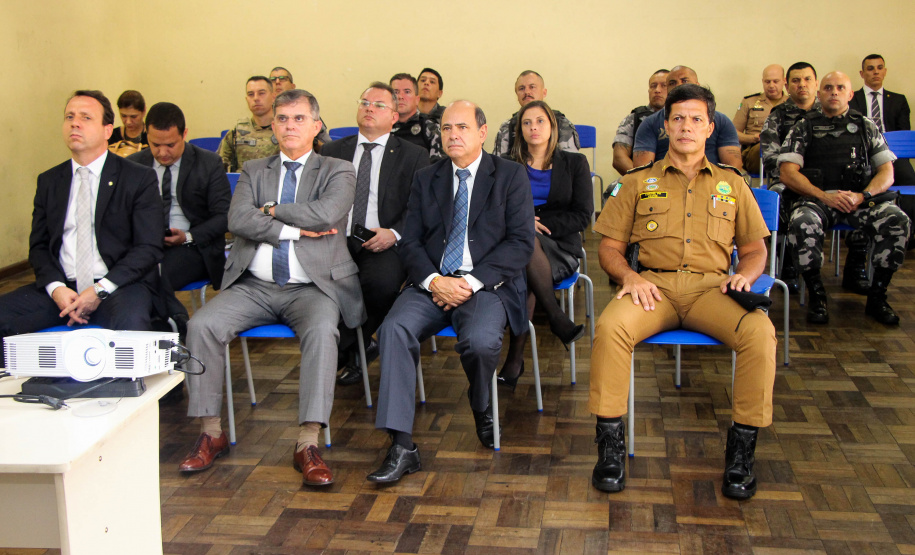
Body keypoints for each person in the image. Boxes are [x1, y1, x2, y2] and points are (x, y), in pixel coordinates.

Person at [590, 84, 775, 500]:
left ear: (710, 128)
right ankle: (610, 449)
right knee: (610, 328)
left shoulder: (733, 183)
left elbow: (754, 249)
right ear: (665, 128)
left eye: (695, 119)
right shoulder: (637, 182)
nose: (686, 126)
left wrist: (745, 275)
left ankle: (742, 452)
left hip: (714, 288)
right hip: (652, 288)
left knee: (759, 333)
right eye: (677, 119)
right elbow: (608, 249)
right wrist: (629, 277)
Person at [177, 89, 364, 487]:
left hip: (313, 287)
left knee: (321, 332)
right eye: (282, 119)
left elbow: (327, 213)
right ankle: (211, 432)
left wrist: (271, 210)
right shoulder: (253, 170)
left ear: (316, 125)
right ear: (273, 126)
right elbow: (237, 219)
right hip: (254, 285)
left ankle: (307, 443)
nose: (289, 125)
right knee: (201, 326)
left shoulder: (339, 169)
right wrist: (297, 228)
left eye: (299, 119)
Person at [367, 101, 535, 483]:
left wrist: (470, 283)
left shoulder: (510, 176)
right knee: (393, 329)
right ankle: (402, 444)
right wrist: (432, 280)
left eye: (461, 127)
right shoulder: (428, 177)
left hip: (486, 286)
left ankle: (481, 405)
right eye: (446, 128)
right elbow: (410, 241)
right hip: (431, 283)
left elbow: (521, 243)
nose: (453, 135)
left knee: (478, 343)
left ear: (482, 132)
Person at [0, 90, 163, 367]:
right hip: (64, 290)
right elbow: (39, 247)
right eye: (69, 117)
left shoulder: (137, 178)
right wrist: (56, 289)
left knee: (132, 328)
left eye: (86, 117)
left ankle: (124, 402)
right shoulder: (50, 181)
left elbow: (148, 248)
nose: (75, 123)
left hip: (118, 286)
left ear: (107, 130)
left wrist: (99, 290)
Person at [779, 71, 910, 325]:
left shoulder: (865, 126)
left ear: (851, 94)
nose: (834, 92)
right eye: (828, 88)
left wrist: (863, 195)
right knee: (801, 222)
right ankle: (818, 297)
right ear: (819, 94)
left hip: (859, 201)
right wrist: (824, 197)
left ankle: (878, 297)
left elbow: (887, 172)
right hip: (818, 201)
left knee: (897, 219)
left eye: (840, 88)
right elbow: (787, 172)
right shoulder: (804, 127)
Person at [322, 82, 430, 386]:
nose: (369, 108)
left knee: (381, 285)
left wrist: (394, 233)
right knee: (325, 286)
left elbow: (419, 207)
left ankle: (342, 351)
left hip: (384, 240)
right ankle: (360, 347)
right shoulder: (333, 151)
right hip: (336, 239)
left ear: (394, 116)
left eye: (379, 105)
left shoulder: (413, 155)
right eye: (365, 102)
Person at [496, 100, 592, 389]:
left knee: (522, 257)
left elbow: (583, 215)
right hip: (518, 247)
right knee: (522, 254)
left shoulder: (575, 163)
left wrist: (537, 226)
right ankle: (555, 316)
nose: (533, 128)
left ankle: (515, 357)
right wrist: (525, 223)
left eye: (540, 121)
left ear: (552, 127)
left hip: (559, 247)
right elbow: (494, 210)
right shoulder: (507, 166)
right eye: (526, 123)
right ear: (519, 130)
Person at [127, 102, 231, 322]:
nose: (162, 153)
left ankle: (170, 324)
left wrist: (187, 236)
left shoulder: (208, 163)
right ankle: (171, 323)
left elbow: (225, 217)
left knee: (152, 273)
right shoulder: (133, 165)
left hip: (193, 247)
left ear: (184, 134)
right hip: (144, 245)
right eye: (155, 144)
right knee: (131, 269)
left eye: (171, 145)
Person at [758, 62, 821, 294]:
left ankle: (856, 268)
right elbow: (771, 158)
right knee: (776, 196)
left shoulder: (829, 114)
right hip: (788, 181)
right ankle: (787, 264)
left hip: (827, 183)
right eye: (795, 80)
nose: (801, 85)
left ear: (816, 83)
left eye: (807, 79)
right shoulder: (778, 116)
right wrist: (795, 176)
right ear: (788, 84)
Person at [633, 66, 743, 169]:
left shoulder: (722, 121)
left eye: (685, 81)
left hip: (713, 184)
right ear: (666, 126)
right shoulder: (650, 123)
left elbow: (733, 168)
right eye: (672, 83)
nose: (679, 85)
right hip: (662, 184)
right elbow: (642, 171)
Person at [849, 54, 915, 186]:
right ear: (862, 73)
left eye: (880, 68)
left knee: (909, 178)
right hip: (862, 156)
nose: (876, 72)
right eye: (870, 68)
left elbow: (903, 133)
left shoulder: (898, 100)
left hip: (893, 154)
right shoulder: (851, 99)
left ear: (885, 71)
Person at [491, 70, 580, 157]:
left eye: (532, 87)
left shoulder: (561, 123)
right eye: (521, 88)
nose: (527, 92)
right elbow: (498, 164)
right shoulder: (507, 126)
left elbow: (571, 164)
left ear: (544, 92)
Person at [612, 69, 669, 175]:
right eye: (653, 86)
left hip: (675, 180)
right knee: (613, 191)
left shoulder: (683, 119)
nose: (657, 90)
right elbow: (619, 158)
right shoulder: (634, 118)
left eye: (663, 85)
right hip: (639, 179)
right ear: (649, 91)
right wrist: (644, 179)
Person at [732, 65, 786, 174]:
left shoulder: (792, 104)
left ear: (784, 81)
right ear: (762, 81)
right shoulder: (749, 102)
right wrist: (753, 138)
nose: (771, 85)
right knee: (764, 147)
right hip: (755, 152)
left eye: (776, 81)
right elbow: (733, 133)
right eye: (767, 82)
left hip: (784, 150)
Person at [218, 76, 278, 172]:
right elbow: (220, 165)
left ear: (273, 97)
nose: (256, 98)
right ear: (247, 99)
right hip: (242, 183)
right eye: (251, 94)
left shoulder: (284, 130)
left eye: (261, 93)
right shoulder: (237, 132)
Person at [270, 66, 333, 147]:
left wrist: (312, 140)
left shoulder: (307, 111)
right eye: (272, 80)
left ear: (293, 86)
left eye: (282, 78)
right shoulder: (263, 113)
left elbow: (327, 147)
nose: (277, 82)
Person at [390, 73, 445, 161]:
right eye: (396, 92)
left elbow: (440, 168)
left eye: (407, 92)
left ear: (417, 100)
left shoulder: (430, 128)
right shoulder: (381, 128)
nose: (400, 97)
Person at [108, 90, 148, 157]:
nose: (128, 122)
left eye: (133, 117)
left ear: (144, 111)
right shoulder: (112, 136)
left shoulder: (151, 136)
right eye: (123, 116)